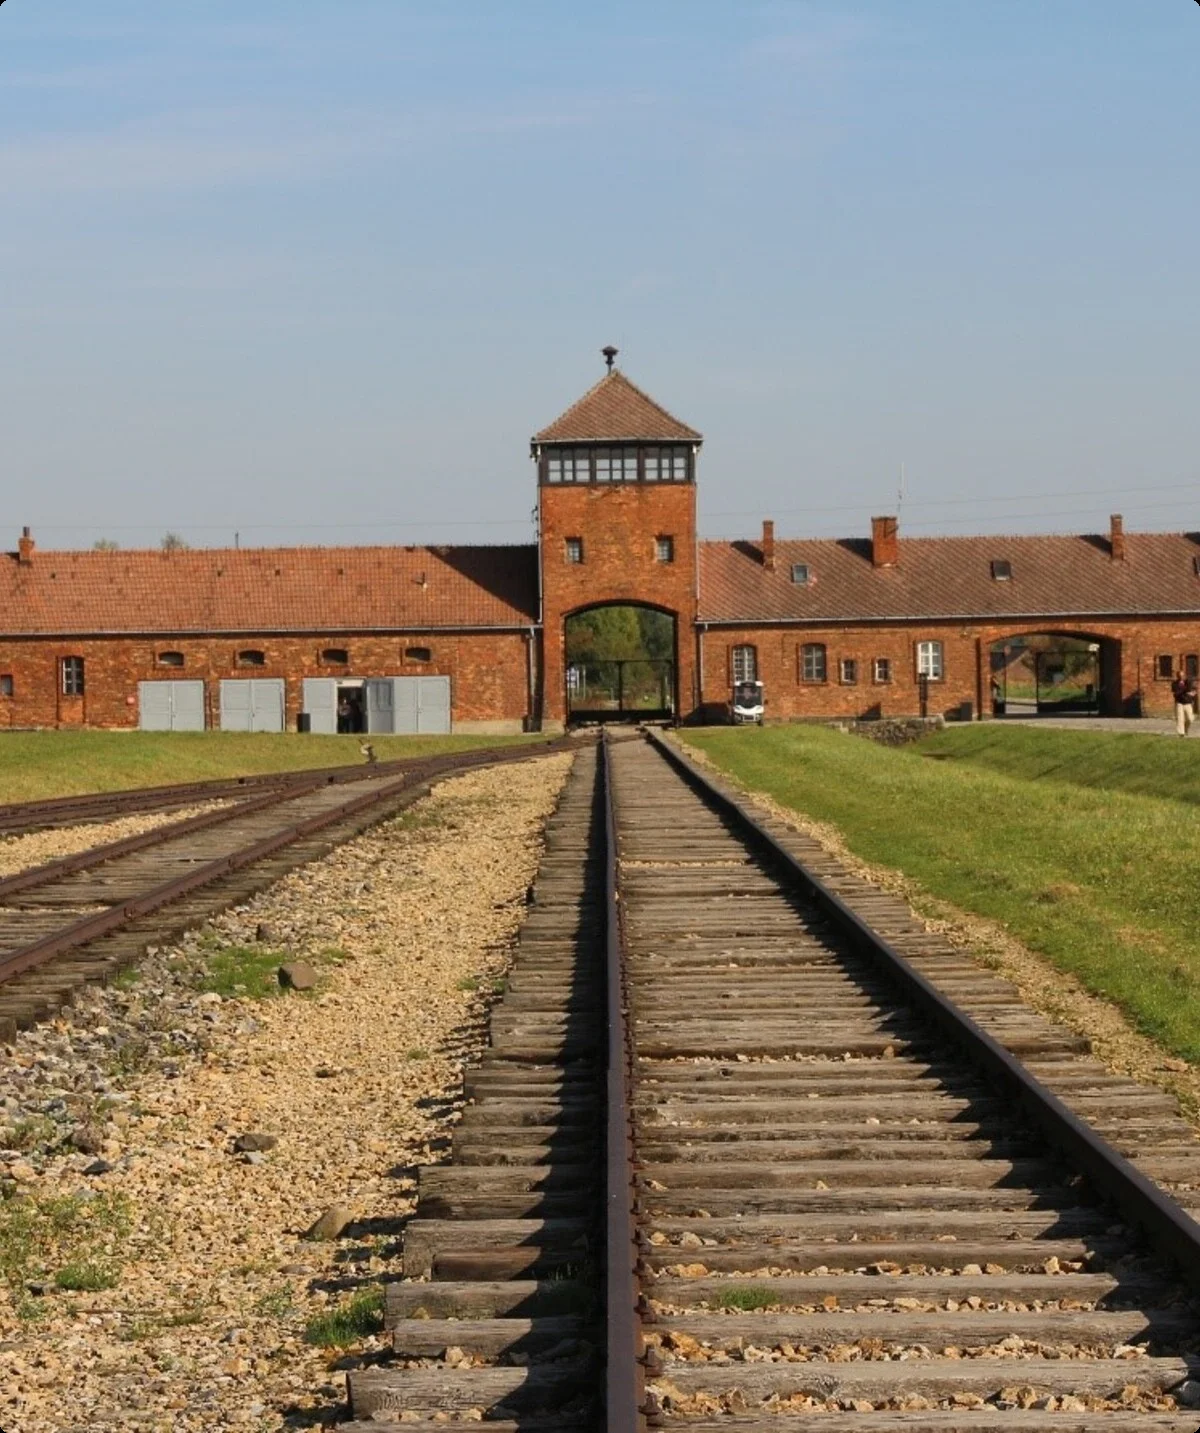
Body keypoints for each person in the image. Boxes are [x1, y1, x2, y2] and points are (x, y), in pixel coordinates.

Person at [1171, 668, 1197, 737]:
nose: (1181, 677)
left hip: (1188, 702)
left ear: (1184, 676)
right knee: (1180, 719)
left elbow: (1194, 690)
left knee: (1190, 719)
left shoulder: (1188, 682)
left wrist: (1193, 694)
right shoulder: (1174, 683)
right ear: (1177, 676)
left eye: (1182, 676)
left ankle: (1185, 729)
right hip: (1179, 703)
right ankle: (1181, 733)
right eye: (1179, 676)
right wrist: (1185, 690)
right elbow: (1175, 694)